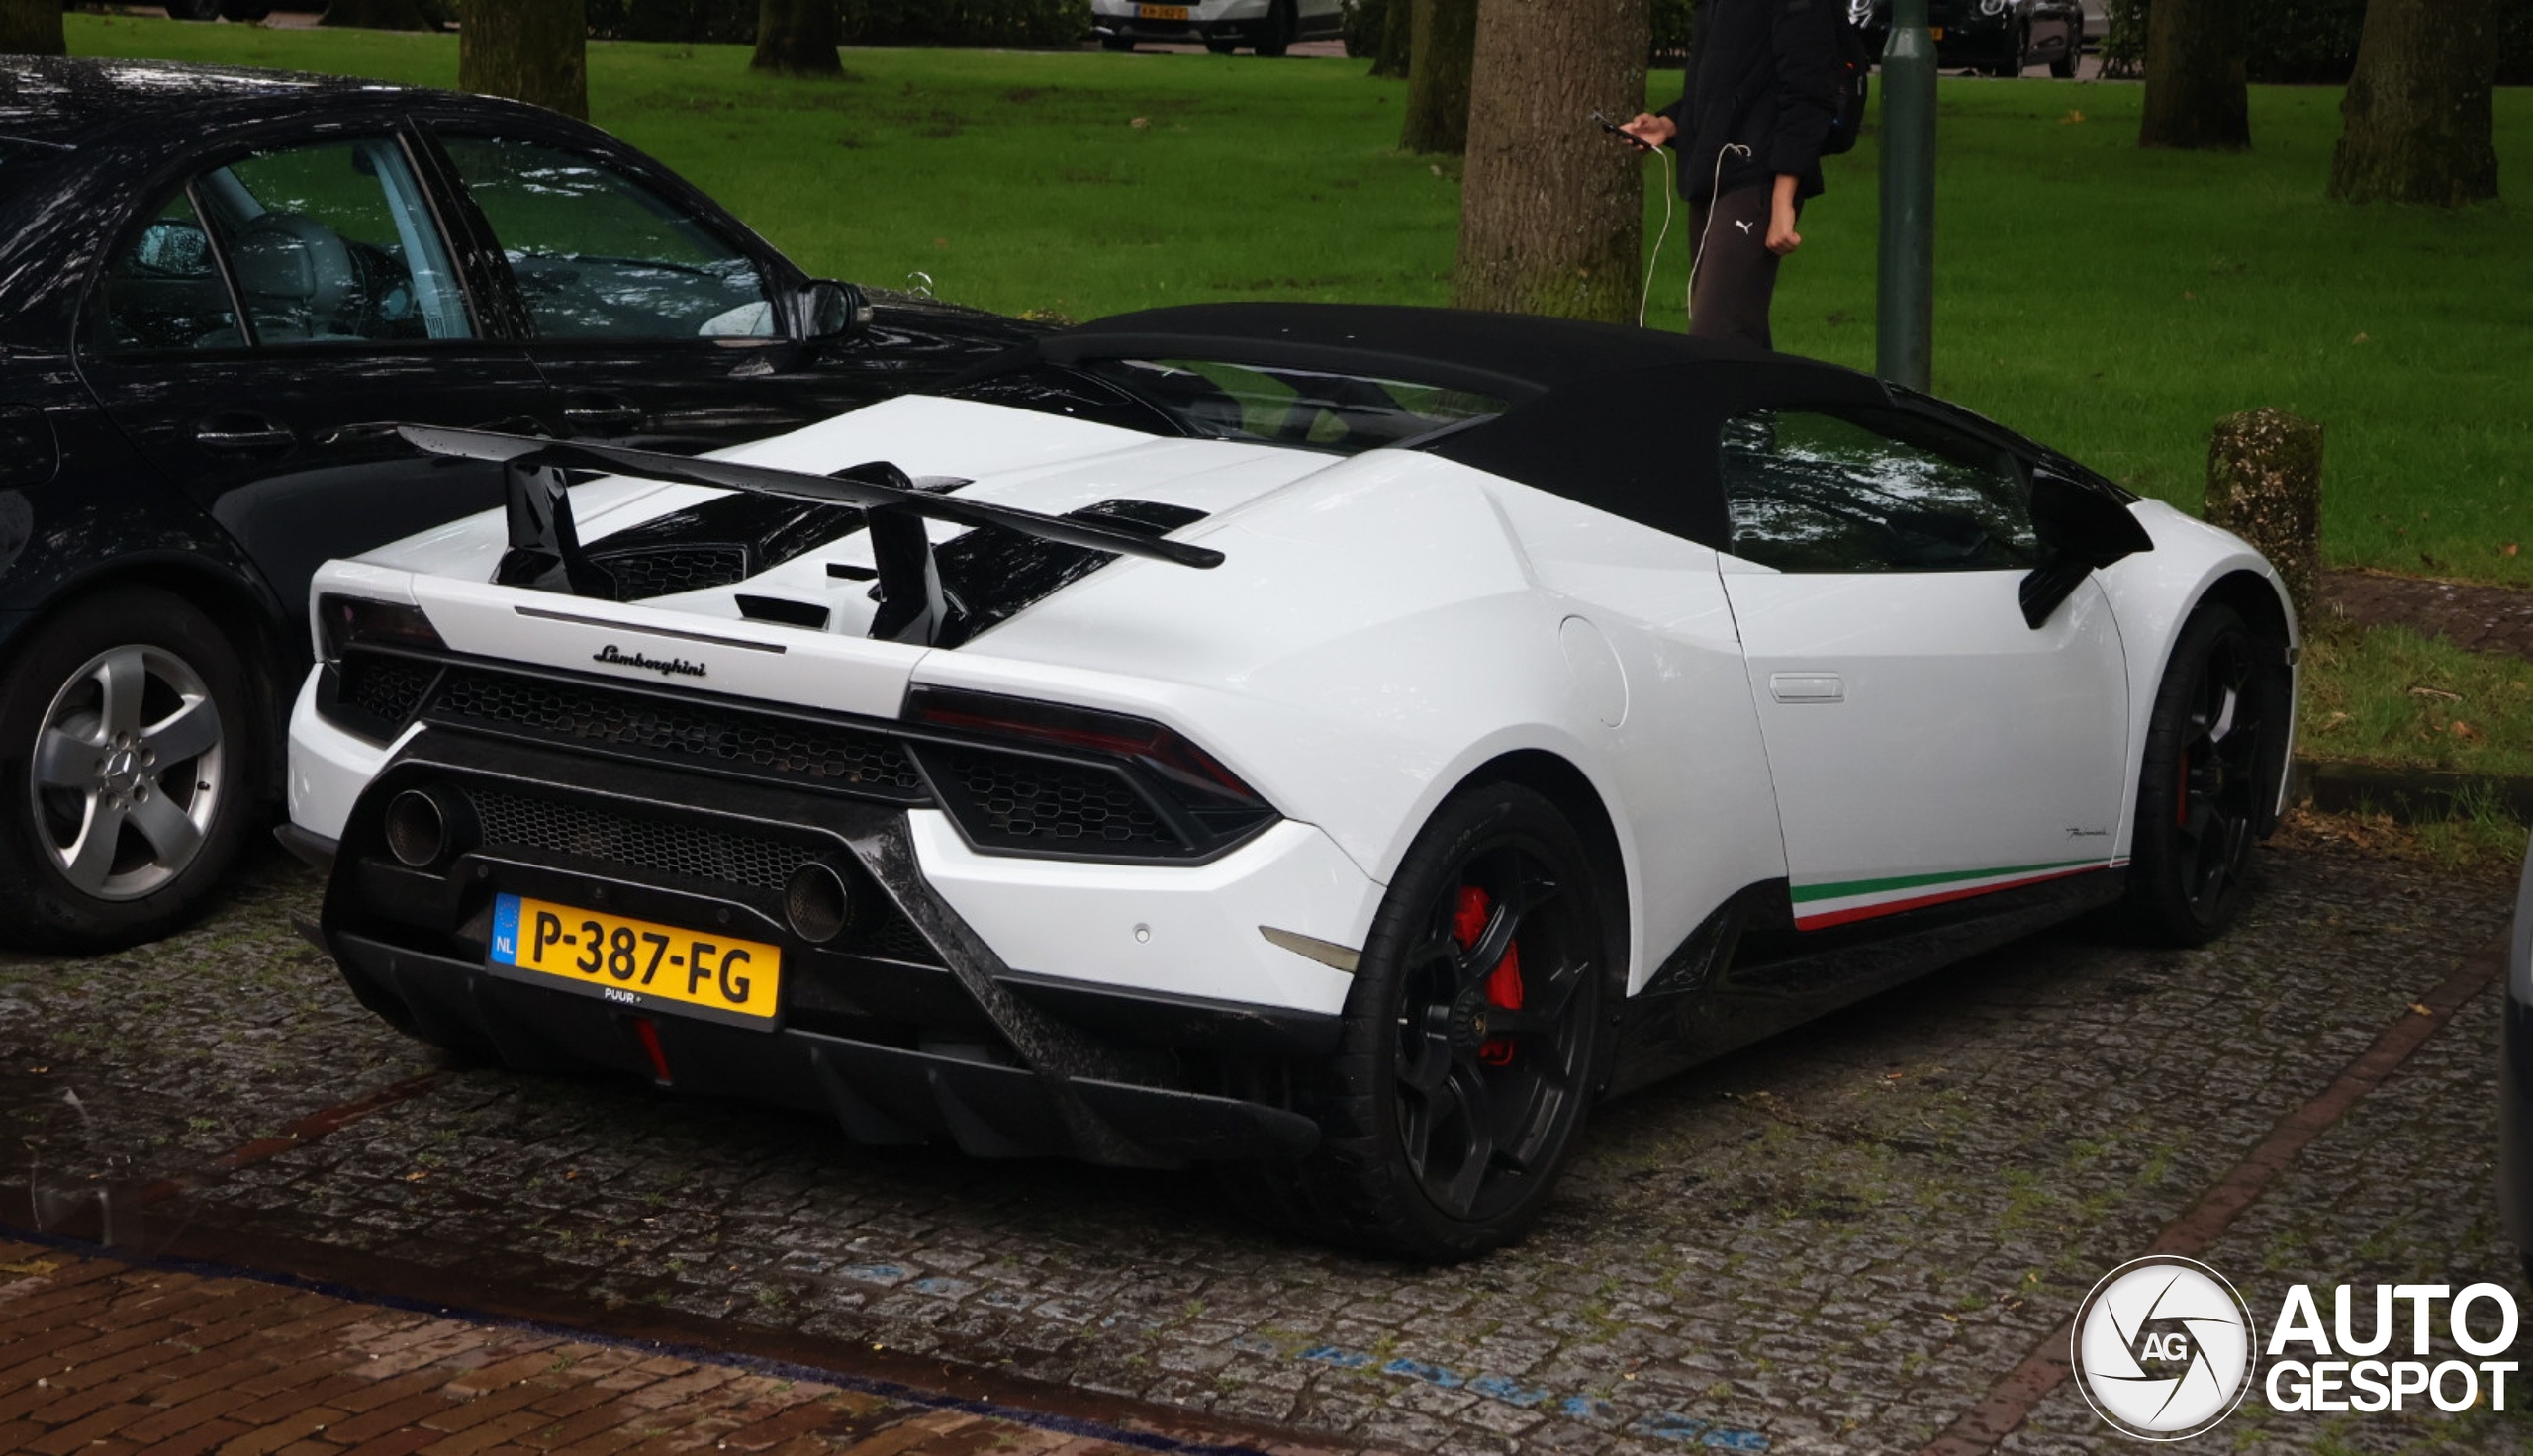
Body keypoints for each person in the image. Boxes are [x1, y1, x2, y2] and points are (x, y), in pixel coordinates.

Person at [1622, 0, 1843, 350]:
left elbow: (1810, 93)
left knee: (1718, 337)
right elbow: (1721, 86)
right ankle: (1766, 404)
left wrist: (1783, 198)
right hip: (1712, 176)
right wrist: (1668, 124)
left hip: (1757, 179)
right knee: (1735, 335)